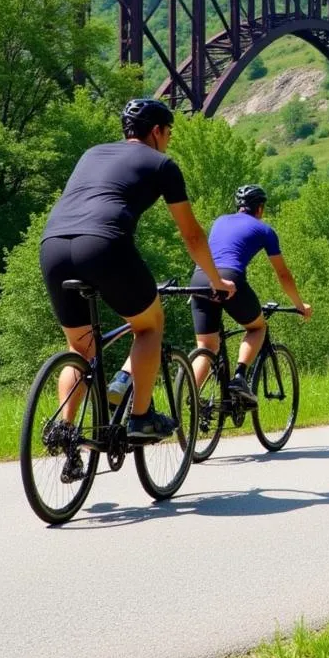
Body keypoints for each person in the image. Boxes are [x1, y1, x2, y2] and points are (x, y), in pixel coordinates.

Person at [40, 99, 235, 454]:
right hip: (102, 244)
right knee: (148, 325)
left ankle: (65, 431)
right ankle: (141, 417)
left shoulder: (92, 153)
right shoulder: (162, 164)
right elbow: (192, 235)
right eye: (170, 133)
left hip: (52, 245)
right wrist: (215, 280)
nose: (170, 140)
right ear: (157, 131)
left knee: (80, 347)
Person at [190, 184, 312, 403]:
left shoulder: (220, 221)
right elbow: (283, 275)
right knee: (257, 326)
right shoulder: (264, 230)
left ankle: (187, 400)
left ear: (239, 206)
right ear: (260, 209)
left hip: (199, 278)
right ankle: (239, 376)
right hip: (230, 279)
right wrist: (300, 305)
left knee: (206, 346)